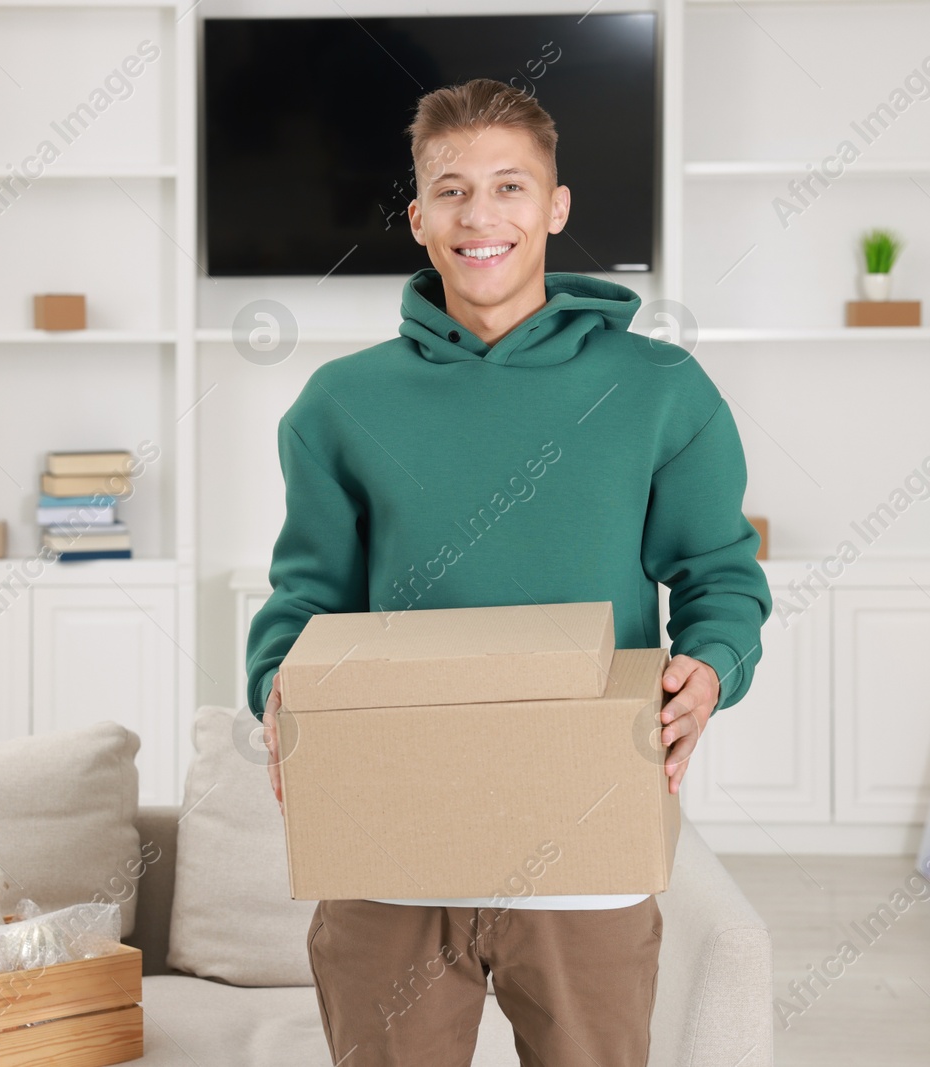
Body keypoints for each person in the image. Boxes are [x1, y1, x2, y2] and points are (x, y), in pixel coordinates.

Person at [244, 76, 771, 1067]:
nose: (478, 215)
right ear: (416, 217)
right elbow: (307, 596)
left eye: (509, 186)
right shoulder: (339, 403)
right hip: (388, 843)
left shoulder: (658, 389)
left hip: (585, 842)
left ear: (556, 206)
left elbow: (719, 575)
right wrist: (275, 679)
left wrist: (709, 664)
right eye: (450, 190)